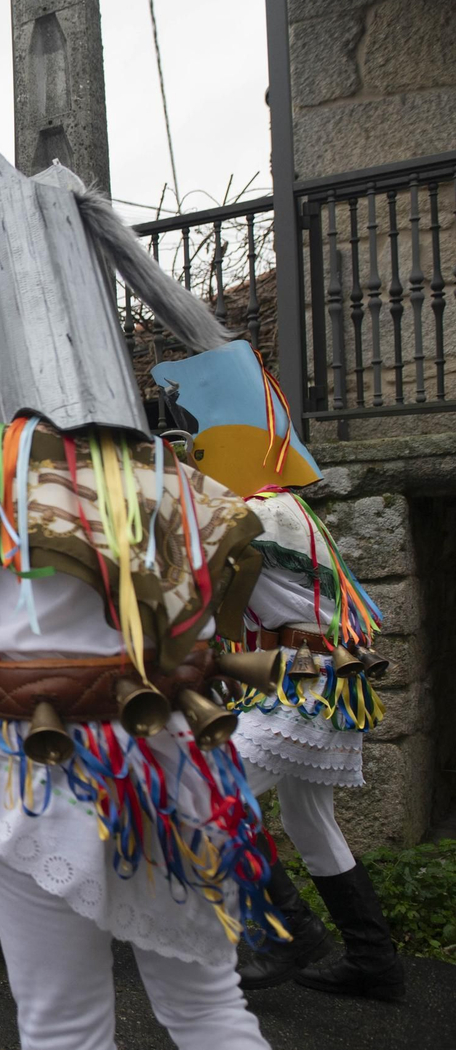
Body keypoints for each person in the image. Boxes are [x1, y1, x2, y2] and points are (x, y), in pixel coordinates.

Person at [0, 130, 276, 1049]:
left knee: (64, 1023)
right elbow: (225, 603)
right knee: (212, 1009)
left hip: (44, 770)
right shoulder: (178, 473)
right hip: (175, 760)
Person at [152, 340, 405, 1002]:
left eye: (196, 452)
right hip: (312, 683)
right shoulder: (276, 507)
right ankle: (374, 960)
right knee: (309, 820)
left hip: (306, 689)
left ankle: (288, 929)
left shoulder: (261, 513)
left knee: (198, 788)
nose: (191, 467)